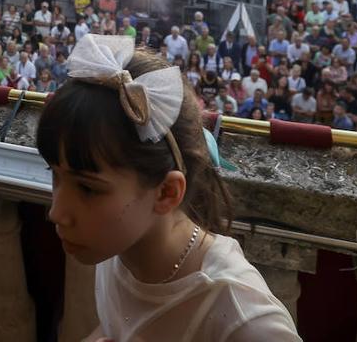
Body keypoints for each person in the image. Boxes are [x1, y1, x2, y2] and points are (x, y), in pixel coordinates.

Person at [37, 35, 300, 341]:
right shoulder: (118, 245)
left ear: (165, 193)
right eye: (55, 175)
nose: (56, 212)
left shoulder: (246, 322)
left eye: (88, 189)